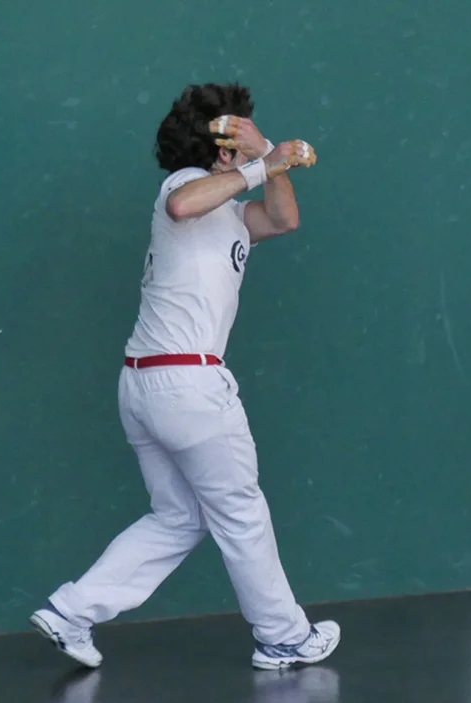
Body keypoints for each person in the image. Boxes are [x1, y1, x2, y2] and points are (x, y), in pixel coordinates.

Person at [30, 82, 340, 671]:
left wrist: (268, 157)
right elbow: (182, 204)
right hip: (187, 386)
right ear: (221, 148)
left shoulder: (230, 213)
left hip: (146, 385)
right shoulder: (184, 187)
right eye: (239, 136)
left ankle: (72, 610)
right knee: (241, 513)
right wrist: (261, 163)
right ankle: (284, 636)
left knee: (179, 517)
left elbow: (284, 219)